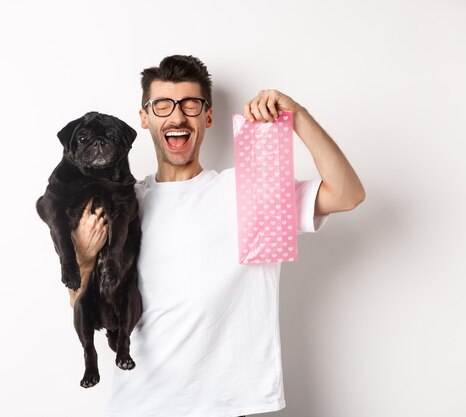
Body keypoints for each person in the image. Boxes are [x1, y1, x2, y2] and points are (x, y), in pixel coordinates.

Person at [68, 55, 365, 417]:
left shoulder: (249, 189)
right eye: (163, 105)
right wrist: (83, 259)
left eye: (190, 105)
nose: (177, 116)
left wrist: (298, 116)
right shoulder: (121, 204)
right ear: (145, 118)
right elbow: (90, 311)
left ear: (208, 117)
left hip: (224, 406)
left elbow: (347, 194)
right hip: (137, 405)